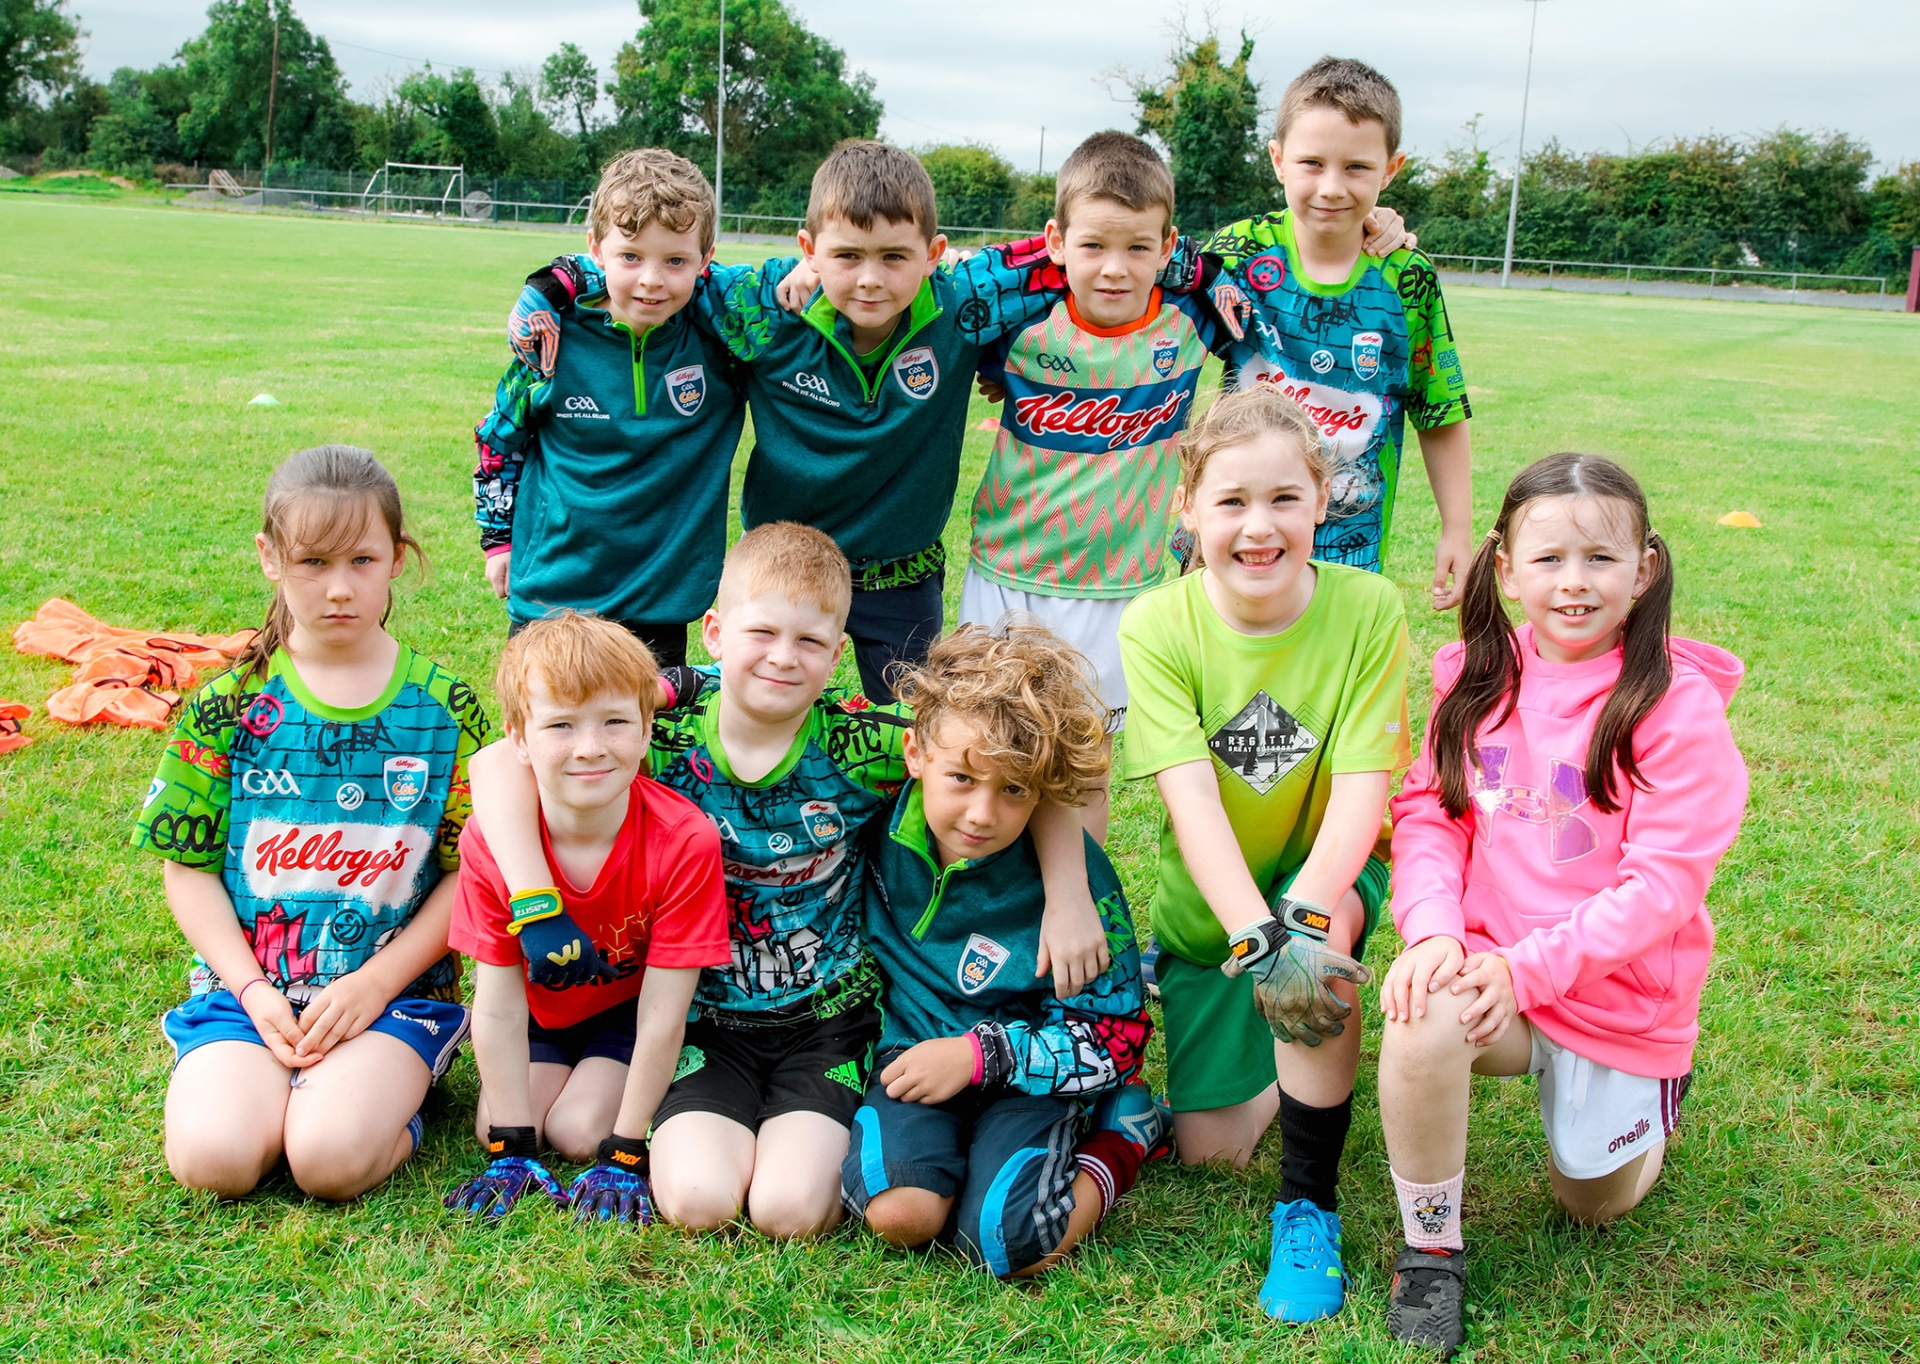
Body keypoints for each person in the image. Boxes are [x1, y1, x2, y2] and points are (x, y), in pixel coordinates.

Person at [463, 524, 1109, 1239]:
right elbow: (501, 762)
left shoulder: (862, 746)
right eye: (761, 631)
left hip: (829, 1017)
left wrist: (1071, 890)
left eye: (808, 642)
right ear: (712, 632)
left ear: (839, 654)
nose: (781, 656)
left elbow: (1007, 763)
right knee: (697, 1201)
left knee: (789, 1211)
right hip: (700, 1016)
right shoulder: (655, 727)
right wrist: (533, 898)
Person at [510, 140, 1249, 700]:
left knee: (918, 732)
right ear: (808, 251)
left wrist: (1203, 269)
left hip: (901, 574)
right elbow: (656, 270)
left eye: (895, 257)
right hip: (784, 567)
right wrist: (551, 284)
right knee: (755, 714)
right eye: (847, 256)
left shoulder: (962, 304)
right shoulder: (764, 308)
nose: (870, 278)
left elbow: (1070, 249)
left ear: (933, 255)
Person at [1376, 453, 1747, 1356]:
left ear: (1644, 568)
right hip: (1489, 966)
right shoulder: (1471, 675)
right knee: (1420, 1016)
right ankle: (1432, 1250)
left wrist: (1524, 968)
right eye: (1547, 560)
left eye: (1599, 559)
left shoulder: (1674, 707)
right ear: (1502, 568)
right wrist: (1432, 931)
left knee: (1591, 1204)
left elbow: (1661, 887)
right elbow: (1430, 810)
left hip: (1610, 992)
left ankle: (1654, 1097)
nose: (1573, 584)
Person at [1117, 387, 1411, 1321]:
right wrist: (1253, 935)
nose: (1259, 527)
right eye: (1232, 502)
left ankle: (1308, 1205)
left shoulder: (1369, 608)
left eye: (1285, 499)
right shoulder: (1156, 624)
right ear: (1188, 510)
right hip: (1216, 908)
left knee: (1316, 961)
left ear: (1324, 500)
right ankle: (1271, 1041)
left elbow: (1365, 788)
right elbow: (1191, 802)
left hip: (1326, 865)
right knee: (1207, 1150)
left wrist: (1302, 924)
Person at [136, 446, 489, 1201]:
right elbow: (187, 867)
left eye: (362, 560)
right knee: (214, 1163)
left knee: (327, 1163)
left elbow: (471, 874)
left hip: (391, 996)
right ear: (269, 558)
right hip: (250, 993)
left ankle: (395, 1090)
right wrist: (254, 990)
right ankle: (270, 1083)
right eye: (312, 562)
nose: (338, 588)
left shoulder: (444, 709)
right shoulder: (227, 705)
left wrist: (376, 983)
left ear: (398, 560)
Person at [842, 623, 1159, 1278]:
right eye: (961, 778)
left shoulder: (1084, 892)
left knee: (1003, 1242)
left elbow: (1119, 1037)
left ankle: (1123, 1139)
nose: (982, 813)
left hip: (1024, 1068)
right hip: (911, 1050)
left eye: (1013, 789)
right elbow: (776, 716)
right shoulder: (866, 798)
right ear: (914, 753)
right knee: (902, 1214)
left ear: (1041, 791)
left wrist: (983, 1055)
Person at [958, 132, 1238, 844]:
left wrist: (1379, 226)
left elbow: (1279, 267)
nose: (1115, 268)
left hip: (1119, 589)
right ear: (1055, 240)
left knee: (1085, 768)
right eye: (1093, 246)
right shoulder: (1015, 321)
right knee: (985, 750)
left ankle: (1078, 911)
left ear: (1168, 245)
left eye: (1138, 248)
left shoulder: (1192, 320)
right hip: (1006, 577)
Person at [442, 611, 728, 1224]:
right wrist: (510, 1146)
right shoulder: (492, 838)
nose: (591, 747)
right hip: (541, 1018)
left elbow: (662, 1012)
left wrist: (625, 1149)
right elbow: (494, 1004)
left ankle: (606, 1104)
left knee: (578, 1133)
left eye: (615, 722)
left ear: (649, 727)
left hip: (627, 1017)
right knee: (500, 1120)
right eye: (561, 725)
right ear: (519, 738)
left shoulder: (683, 839)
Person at [1204, 57, 1474, 607]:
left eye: (1356, 167)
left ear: (1390, 169)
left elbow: (1438, 411)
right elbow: (1140, 301)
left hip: (1350, 537)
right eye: (1311, 163)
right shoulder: (1238, 254)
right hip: (1238, 525)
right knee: (1229, 674)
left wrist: (1458, 528)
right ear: (1278, 160)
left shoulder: (1406, 278)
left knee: (1325, 680)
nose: (1331, 187)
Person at [472, 149, 747, 667]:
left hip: (659, 599)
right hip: (553, 593)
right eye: (631, 257)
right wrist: (497, 540)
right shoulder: (550, 337)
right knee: (543, 735)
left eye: (675, 261)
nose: (651, 279)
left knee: (647, 742)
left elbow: (767, 291)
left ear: (705, 260)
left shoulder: (719, 337)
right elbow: (498, 438)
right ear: (596, 249)